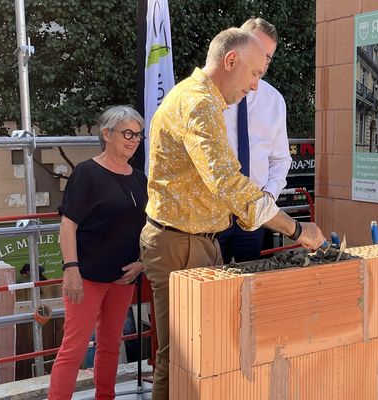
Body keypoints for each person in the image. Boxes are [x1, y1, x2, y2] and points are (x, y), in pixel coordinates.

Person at [140, 27, 326, 400]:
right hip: (182, 243)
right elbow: (228, 182)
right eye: (255, 73)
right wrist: (296, 230)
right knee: (179, 358)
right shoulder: (199, 104)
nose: (256, 86)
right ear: (230, 61)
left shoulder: (200, 99)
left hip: (195, 240)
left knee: (196, 355)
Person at [48, 105, 148, 400]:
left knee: (110, 343)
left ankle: (106, 396)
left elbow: (146, 228)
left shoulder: (140, 179)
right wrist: (71, 269)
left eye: (138, 135)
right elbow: (68, 226)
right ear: (107, 133)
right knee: (74, 348)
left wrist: (142, 263)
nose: (133, 140)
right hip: (87, 277)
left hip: (123, 279)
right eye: (127, 133)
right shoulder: (87, 173)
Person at [218, 17, 292, 263]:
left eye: (269, 56)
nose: (263, 59)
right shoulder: (211, 95)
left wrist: (268, 198)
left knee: (247, 287)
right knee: (212, 290)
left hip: (255, 216)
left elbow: (281, 159)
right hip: (213, 213)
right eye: (258, 49)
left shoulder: (274, 101)